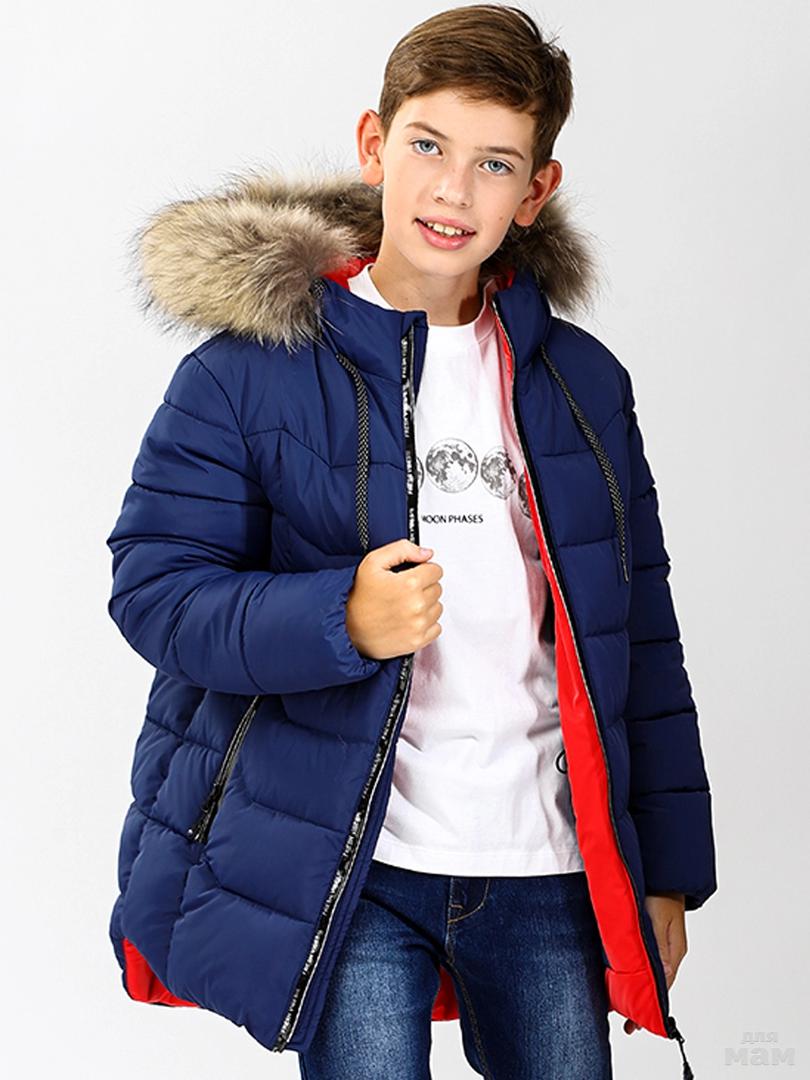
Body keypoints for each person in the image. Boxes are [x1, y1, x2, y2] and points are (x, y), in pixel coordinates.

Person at [105, 5, 716, 1078]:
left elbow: (643, 637)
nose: (453, 191)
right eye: (429, 146)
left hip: (549, 863)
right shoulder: (248, 371)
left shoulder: (583, 384)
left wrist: (662, 870)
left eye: (494, 165)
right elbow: (156, 591)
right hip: (352, 864)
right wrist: (336, 618)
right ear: (374, 144)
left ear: (535, 193)